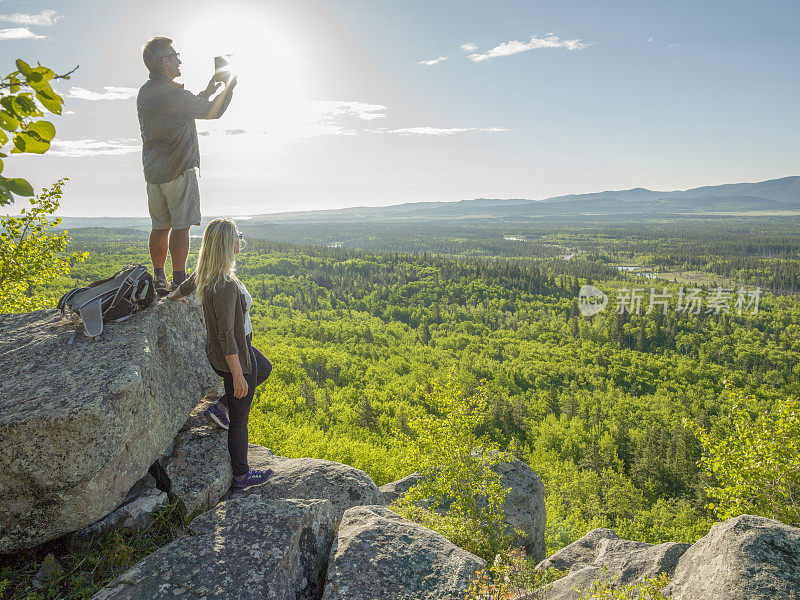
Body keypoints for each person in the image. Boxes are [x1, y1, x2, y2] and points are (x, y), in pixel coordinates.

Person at [168, 219, 273, 492]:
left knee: (266, 368)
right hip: (235, 354)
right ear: (228, 244)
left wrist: (174, 296)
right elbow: (227, 334)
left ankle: (221, 406)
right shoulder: (224, 284)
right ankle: (241, 475)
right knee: (241, 419)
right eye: (237, 236)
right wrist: (238, 376)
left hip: (239, 349)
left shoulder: (210, 272)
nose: (241, 239)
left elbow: (190, 283)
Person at [138, 37, 237, 295]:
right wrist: (230, 86)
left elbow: (184, 107)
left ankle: (159, 276)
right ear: (164, 61)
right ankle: (179, 279)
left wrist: (207, 90)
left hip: (154, 173)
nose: (179, 59)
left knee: (160, 226)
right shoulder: (172, 93)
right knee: (180, 226)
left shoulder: (147, 91)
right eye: (175, 55)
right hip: (179, 168)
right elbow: (211, 112)